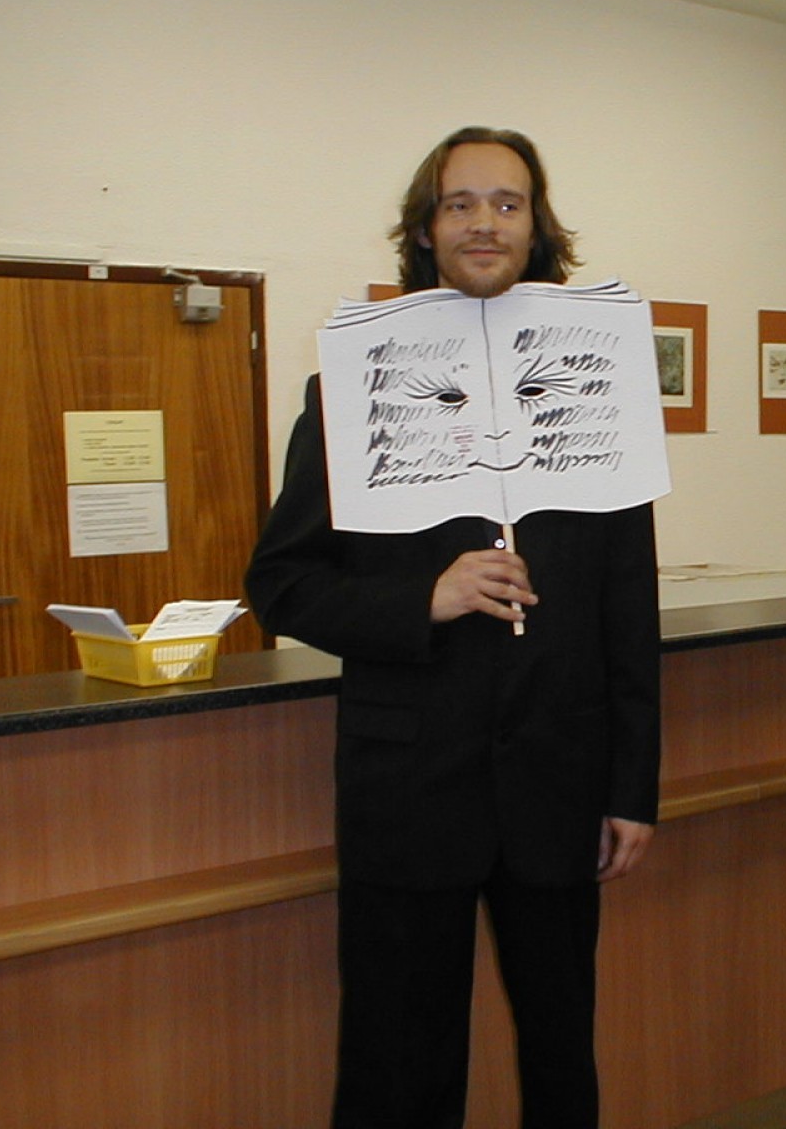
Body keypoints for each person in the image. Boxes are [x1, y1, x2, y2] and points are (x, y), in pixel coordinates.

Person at [245, 126, 661, 1129]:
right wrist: (418, 600)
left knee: (561, 1055)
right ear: (426, 229)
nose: (484, 222)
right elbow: (281, 583)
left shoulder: (599, 387)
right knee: (397, 1065)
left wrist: (631, 787)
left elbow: (628, 607)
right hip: (408, 789)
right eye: (460, 203)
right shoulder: (348, 389)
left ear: (536, 226)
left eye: (507, 204)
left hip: (560, 784)